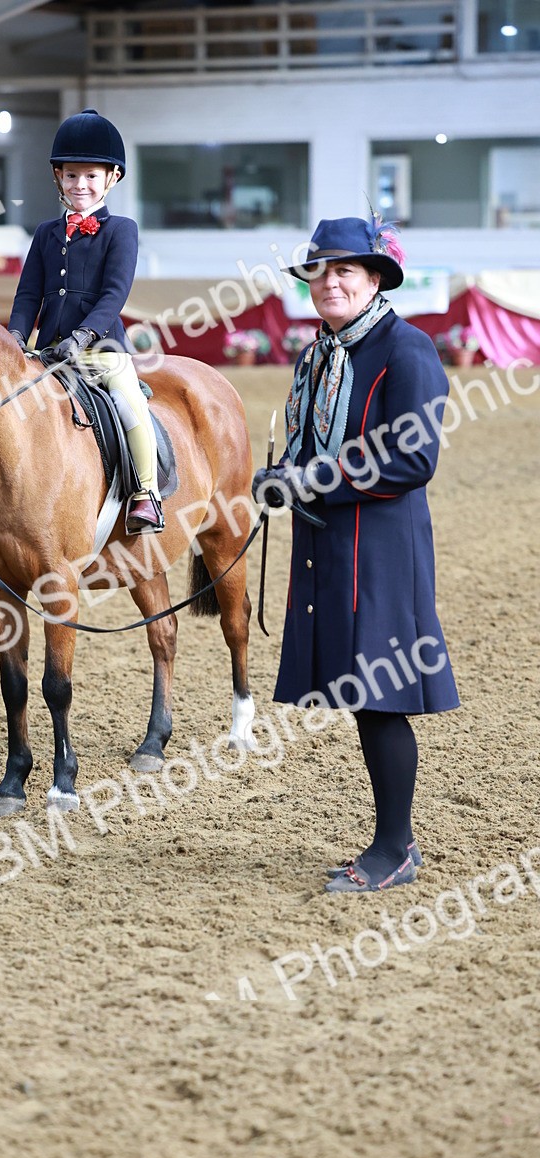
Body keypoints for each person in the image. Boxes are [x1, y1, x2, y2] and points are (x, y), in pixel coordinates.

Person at [253, 214, 459, 893]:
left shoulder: (408, 351)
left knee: (380, 696)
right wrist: (279, 476)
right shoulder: (316, 353)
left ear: (374, 280)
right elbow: (309, 444)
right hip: (328, 542)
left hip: (383, 549)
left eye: (345, 270)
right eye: (321, 270)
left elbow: (414, 458)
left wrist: (311, 480)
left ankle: (395, 849)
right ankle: (392, 843)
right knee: (362, 694)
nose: (330, 281)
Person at [7, 108, 163, 534]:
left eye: (91, 176)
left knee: (131, 405)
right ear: (59, 177)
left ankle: (145, 492)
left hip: (102, 350)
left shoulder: (122, 230)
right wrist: (16, 338)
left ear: (111, 178)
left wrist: (82, 335)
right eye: (72, 175)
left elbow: (115, 295)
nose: (81, 185)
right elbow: (27, 295)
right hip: (48, 353)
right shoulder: (44, 233)